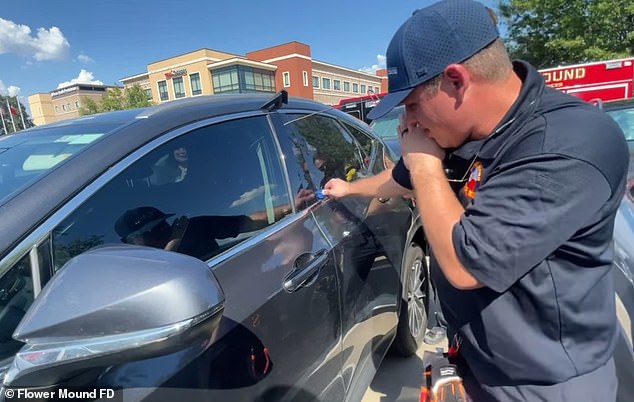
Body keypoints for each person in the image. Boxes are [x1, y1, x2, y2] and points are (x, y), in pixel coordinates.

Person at [323, 1, 629, 401]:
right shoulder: (464, 132)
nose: (408, 123)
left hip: (544, 382)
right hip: (479, 362)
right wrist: (350, 189)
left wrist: (426, 168)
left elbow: (467, 265)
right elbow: (399, 179)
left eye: (411, 104)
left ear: (455, 81)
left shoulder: (566, 143)